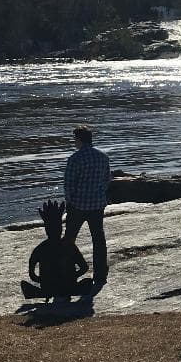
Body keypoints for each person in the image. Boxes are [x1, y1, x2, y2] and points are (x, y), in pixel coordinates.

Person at [63, 124, 111, 291]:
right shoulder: (103, 157)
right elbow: (107, 180)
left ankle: (66, 271)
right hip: (97, 205)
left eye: (74, 139)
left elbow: (69, 185)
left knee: (69, 240)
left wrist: (69, 202)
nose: (74, 142)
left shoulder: (75, 158)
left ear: (79, 140)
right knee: (98, 239)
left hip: (78, 205)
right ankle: (100, 274)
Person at [21, 199, 94, 303]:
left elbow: (32, 275)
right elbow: (84, 268)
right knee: (87, 282)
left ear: (46, 229)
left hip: (48, 288)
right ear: (60, 228)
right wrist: (71, 277)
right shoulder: (69, 246)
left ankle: (47, 292)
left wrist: (43, 280)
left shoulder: (40, 248)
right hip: (69, 287)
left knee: (26, 286)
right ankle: (67, 289)